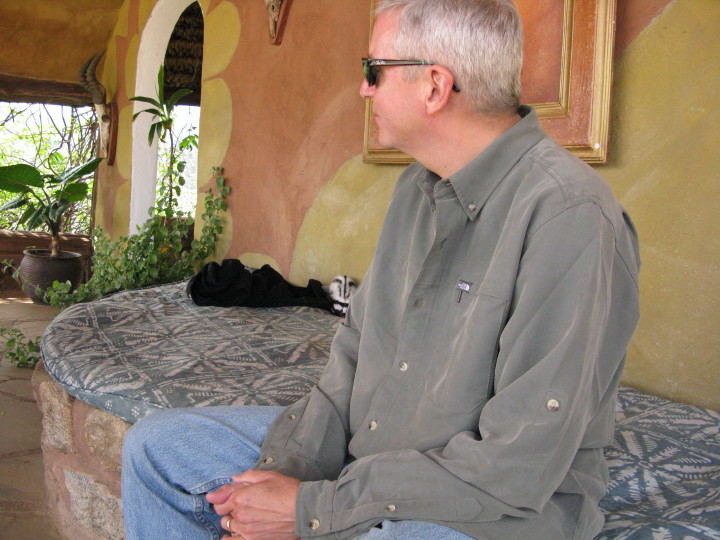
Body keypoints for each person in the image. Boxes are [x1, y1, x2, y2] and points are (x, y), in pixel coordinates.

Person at [121, 0, 641, 538]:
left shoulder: (569, 215)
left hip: (491, 504)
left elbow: (516, 462)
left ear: (434, 86)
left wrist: (312, 509)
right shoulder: (416, 189)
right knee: (158, 448)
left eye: (373, 70)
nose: (363, 89)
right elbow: (352, 357)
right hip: (375, 451)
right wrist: (282, 476)